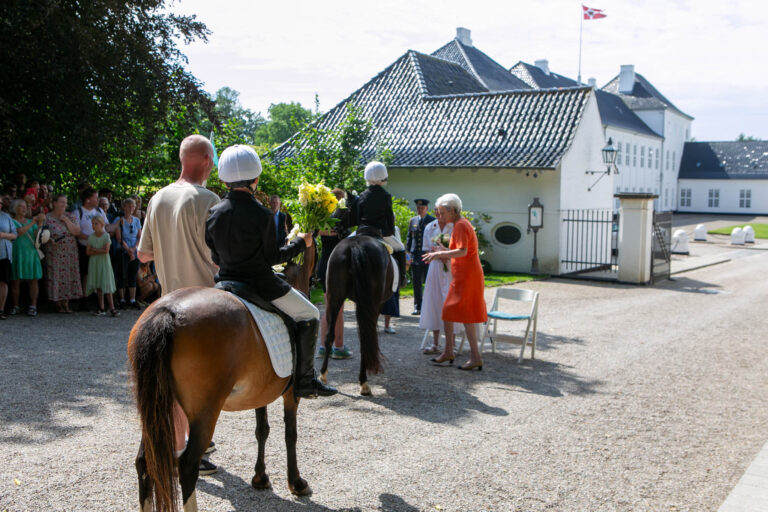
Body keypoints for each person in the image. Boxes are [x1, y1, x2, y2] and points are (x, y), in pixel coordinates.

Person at [205, 144, 337, 398]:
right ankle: (305, 380)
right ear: (256, 179)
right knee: (309, 313)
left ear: (223, 179)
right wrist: (301, 242)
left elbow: (214, 253)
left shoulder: (214, 212)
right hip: (258, 284)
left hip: (224, 283)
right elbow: (272, 258)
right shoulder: (262, 213)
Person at [137, 133, 222, 476]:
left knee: (169, 382)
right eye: (212, 161)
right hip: (204, 302)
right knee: (202, 384)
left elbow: (143, 254)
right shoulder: (208, 198)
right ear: (204, 160)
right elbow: (221, 256)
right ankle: (193, 451)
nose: (214, 167)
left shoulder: (158, 198)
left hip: (168, 302)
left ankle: (176, 446)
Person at [423, 193, 487, 371]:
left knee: (457, 313)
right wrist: (445, 250)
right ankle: (455, 352)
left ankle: (467, 355)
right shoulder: (462, 223)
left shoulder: (460, 225)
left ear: (452, 210)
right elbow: (460, 250)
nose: (440, 216)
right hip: (464, 275)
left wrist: (439, 253)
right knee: (453, 313)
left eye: (442, 213)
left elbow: (462, 251)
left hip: (467, 276)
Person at [354, 161, 407, 288]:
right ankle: (402, 278)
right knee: (400, 248)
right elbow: (389, 219)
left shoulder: (362, 195)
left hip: (362, 232)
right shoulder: (385, 195)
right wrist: (390, 233)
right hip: (380, 233)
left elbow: (357, 218)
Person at [317, 188, 353, 359]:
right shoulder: (342, 217)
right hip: (337, 265)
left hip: (324, 264)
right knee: (338, 309)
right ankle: (338, 346)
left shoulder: (322, 217)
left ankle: (324, 346)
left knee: (328, 307)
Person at [418, 205, 459, 354]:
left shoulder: (454, 226)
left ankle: (452, 344)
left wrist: (446, 255)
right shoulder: (430, 227)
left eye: (441, 211)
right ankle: (435, 343)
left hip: (450, 267)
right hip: (435, 267)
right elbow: (426, 249)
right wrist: (436, 254)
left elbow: (458, 249)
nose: (438, 214)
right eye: (436, 211)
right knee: (434, 302)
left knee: (450, 302)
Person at [44, 194, 82, 313]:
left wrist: (65, 220)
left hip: (69, 251)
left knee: (68, 275)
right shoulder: (47, 217)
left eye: (65, 203)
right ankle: (57, 303)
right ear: (54, 203)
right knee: (56, 275)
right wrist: (50, 240)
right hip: (54, 251)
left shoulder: (70, 216)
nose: (64, 205)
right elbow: (42, 234)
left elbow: (76, 232)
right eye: (61, 202)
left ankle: (66, 303)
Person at [8, 199, 45, 317]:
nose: (24, 208)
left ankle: (33, 305)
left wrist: (39, 225)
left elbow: (38, 237)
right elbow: (18, 232)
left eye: (25, 206)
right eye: (21, 206)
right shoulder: (12, 221)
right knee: (15, 281)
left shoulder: (31, 222)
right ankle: (15, 305)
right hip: (17, 253)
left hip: (31, 253)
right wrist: (33, 222)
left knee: (33, 280)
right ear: (14, 209)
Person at [74, 187, 108, 308]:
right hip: (85, 248)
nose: (97, 200)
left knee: (99, 272)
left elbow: (107, 227)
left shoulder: (99, 211)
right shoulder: (78, 212)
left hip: (101, 248)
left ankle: (99, 300)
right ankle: (84, 298)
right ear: (88, 200)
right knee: (85, 273)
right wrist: (92, 239)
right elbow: (77, 232)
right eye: (95, 198)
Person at [406, 198, 435, 315]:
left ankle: (428, 306)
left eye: (422, 208)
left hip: (427, 256)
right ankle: (418, 307)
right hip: (415, 256)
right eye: (418, 208)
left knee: (429, 282)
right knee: (416, 283)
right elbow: (409, 238)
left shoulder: (432, 221)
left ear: (427, 208)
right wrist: (408, 254)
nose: (420, 210)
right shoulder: (413, 220)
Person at [85, 216, 119, 316]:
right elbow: (88, 252)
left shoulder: (106, 236)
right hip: (95, 262)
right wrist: (99, 250)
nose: (94, 226)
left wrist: (94, 250)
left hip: (104, 262)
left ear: (102, 225)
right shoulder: (91, 237)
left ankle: (112, 308)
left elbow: (106, 250)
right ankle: (101, 307)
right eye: (93, 224)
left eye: (96, 223)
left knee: (106, 284)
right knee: (98, 285)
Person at [116, 198, 142, 309]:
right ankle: (122, 299)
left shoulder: (136, 220)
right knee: (122, 274)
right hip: (123, 250)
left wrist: (134, 248)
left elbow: (140, 237)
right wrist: (128, 250)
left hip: (134, 250)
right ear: (124, 207)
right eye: (128, 206)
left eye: (133, 206)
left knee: (133, 274)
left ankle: (132, 299)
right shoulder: (119, 220)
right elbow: (119, 238)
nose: (131, 208)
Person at [0, 207, 17, 319]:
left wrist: (4, 235)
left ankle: (1, 309)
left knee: (3, 281)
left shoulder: (6, 216)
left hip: (4, 253)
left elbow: (15, 234)